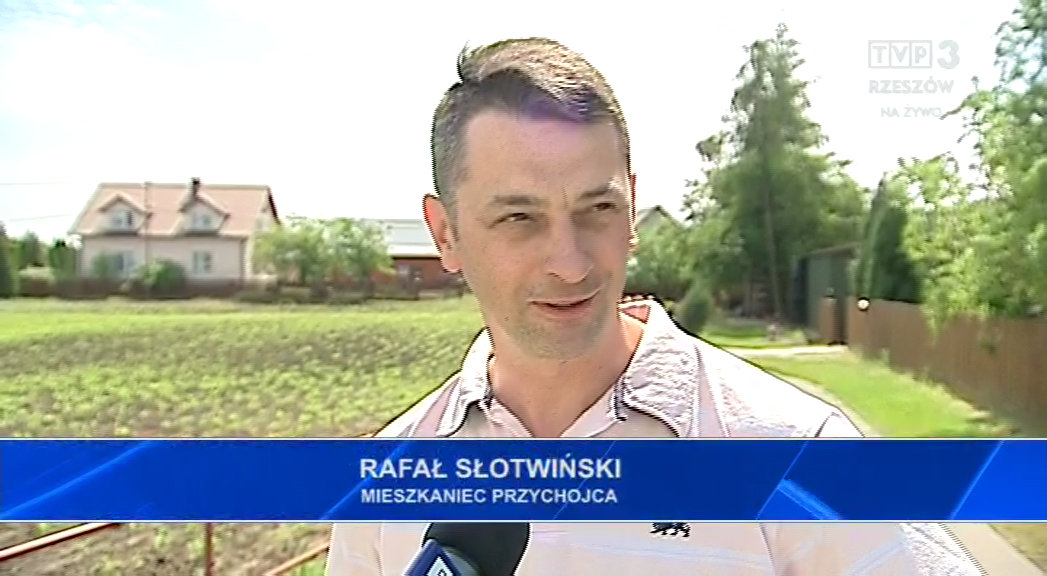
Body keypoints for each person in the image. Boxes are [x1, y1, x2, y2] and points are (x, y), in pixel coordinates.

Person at [326, 37, 983, 575]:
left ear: (632, 207)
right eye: (519, 218)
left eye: (598, 208)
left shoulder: (795, 453)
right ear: (445, 234)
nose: (571, 262)